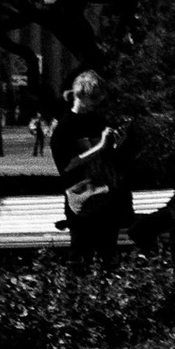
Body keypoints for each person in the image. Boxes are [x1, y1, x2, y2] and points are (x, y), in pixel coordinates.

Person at [51, 71, 132, 264]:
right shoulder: (65, 126)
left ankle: (105, 291)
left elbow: (108, 156)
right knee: (80, 255)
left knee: (109, 255)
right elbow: (67, 165)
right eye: (93, 98)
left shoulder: (97, 120)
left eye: (99, 99)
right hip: (82, 197)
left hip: (105, 195)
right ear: (80, 95)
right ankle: (76, 291)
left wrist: (117, 145)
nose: (96, 103)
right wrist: (100, 147)